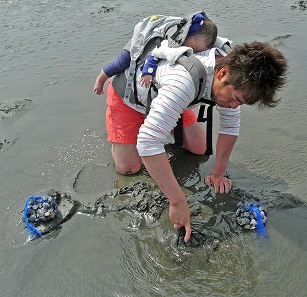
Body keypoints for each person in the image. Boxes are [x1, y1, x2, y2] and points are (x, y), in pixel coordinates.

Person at [102, 40, 287, 243]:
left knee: (199, 149)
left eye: (240, 103)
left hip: (167, 95)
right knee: (128, 168)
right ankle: (141, 127)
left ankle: (161, 117)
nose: (234, 106)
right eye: (235, 99)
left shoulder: (234, 74)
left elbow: (230, 127)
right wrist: (177, 201)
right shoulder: (184, 83)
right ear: (222, 73)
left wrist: (218, 173)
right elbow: (148, 142)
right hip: (130, 98)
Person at [93, 13, 217, 94]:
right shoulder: (172, 41)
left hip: (155, 38)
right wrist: (148, 73)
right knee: (121, 63)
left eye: (196, 50)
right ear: (189, 33)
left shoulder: (189, 38)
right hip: (142, 39)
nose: (191, 49)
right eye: (194, 47)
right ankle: (101, 79)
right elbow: (154, 54)